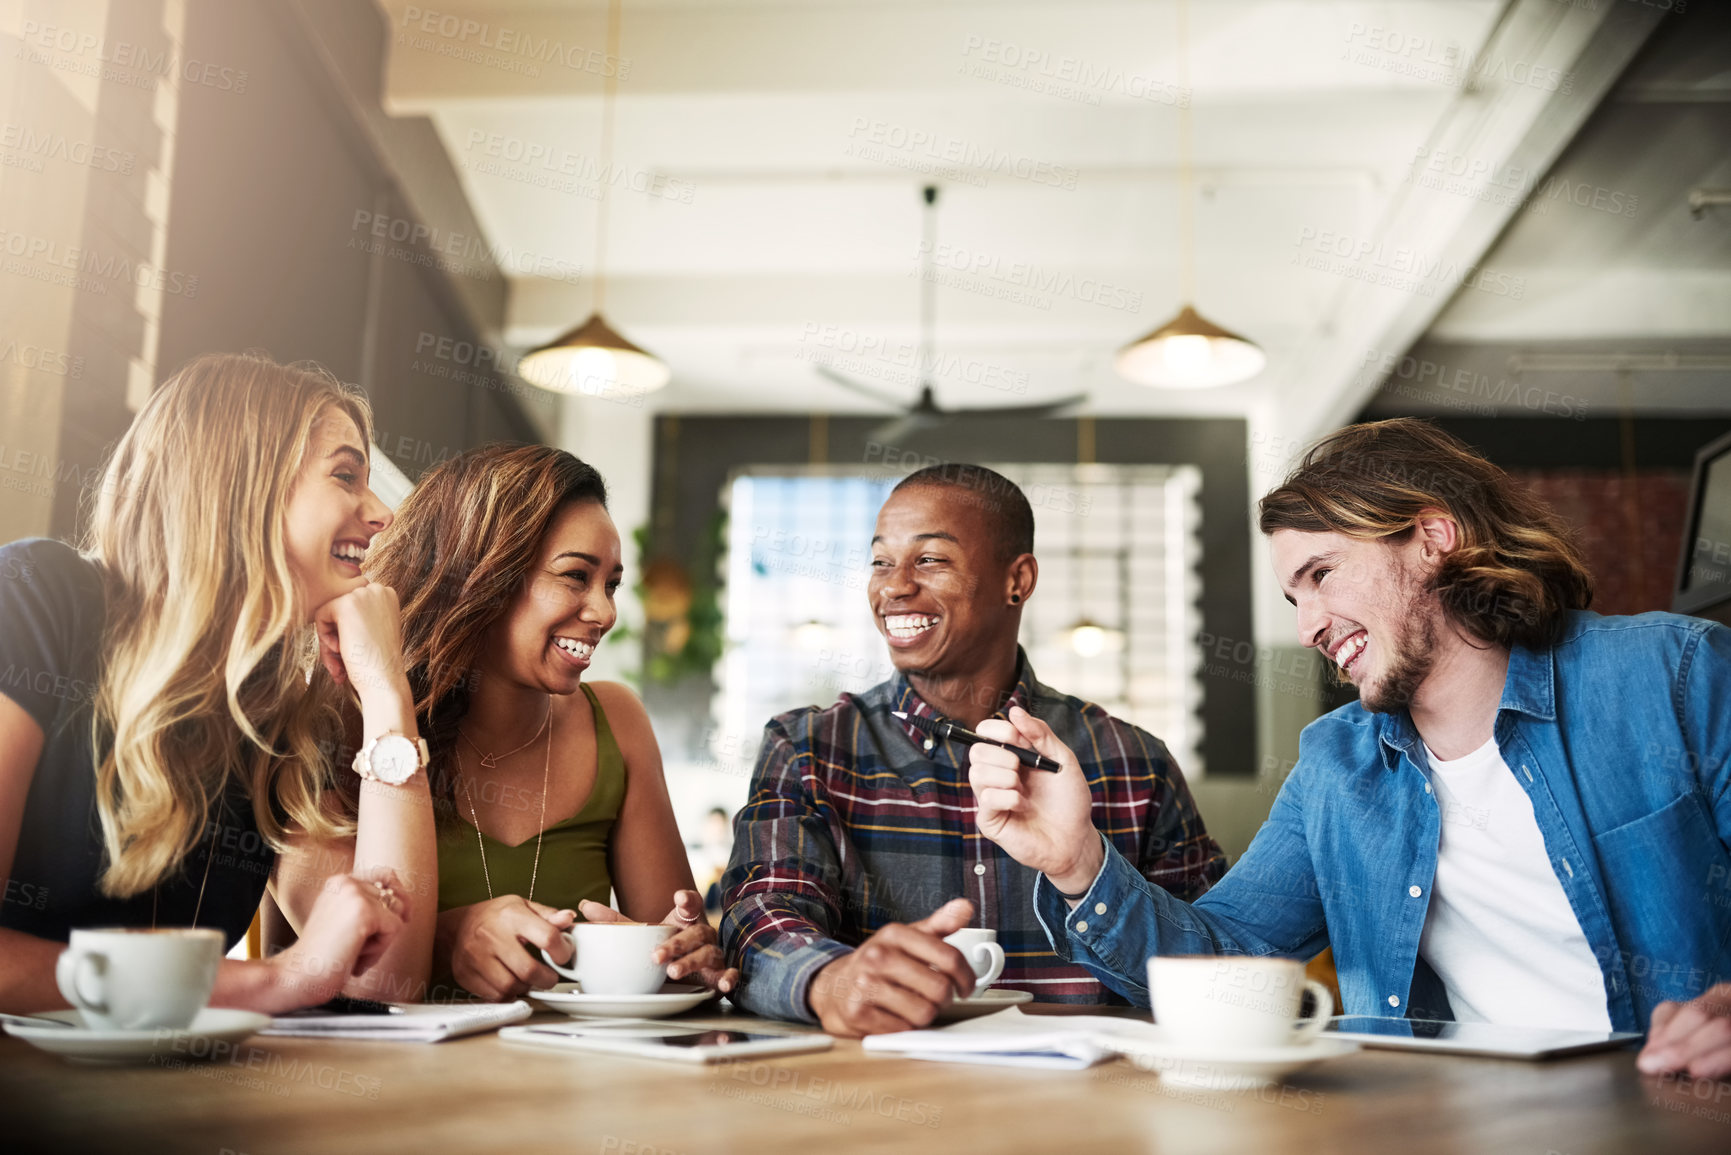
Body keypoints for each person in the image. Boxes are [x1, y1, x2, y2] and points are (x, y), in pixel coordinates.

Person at [966, 419, 1731, 1080]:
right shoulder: (1334, 764)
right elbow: (1227, 961)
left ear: (1432, 538)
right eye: (1293, 599)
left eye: (1321, 575)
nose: (1307, 627)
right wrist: (1074, 860)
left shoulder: (1675, 675)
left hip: (1673, 1109)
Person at [721, 463, 1224, 1036]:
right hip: (882, 1107)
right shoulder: (809, 748)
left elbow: (1221, 971)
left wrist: (1088, 873)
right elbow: (756, 917)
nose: (894, 586)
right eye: (881, 561)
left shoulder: (1135, 762)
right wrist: (829, 979)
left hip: (1094, 1109)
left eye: (929, 559)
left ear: (1019, 581)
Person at [0, 352, 429, 1014]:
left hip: (173, 1101)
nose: (382, 514)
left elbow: (389, 979)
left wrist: (386, 696)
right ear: (240, 484)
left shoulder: (282, 714)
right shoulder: (38, 597)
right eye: (346, 475)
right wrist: (275, 980)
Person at [274, 444, 734, 1001]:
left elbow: (674, 964)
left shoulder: (617, 721)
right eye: (575, 577)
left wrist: (686, 954)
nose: (606, 612)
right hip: (385, 1085)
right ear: (482, 575)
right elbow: (368, 977)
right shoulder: (329, 725)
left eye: (610, 584)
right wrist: (450, 938)